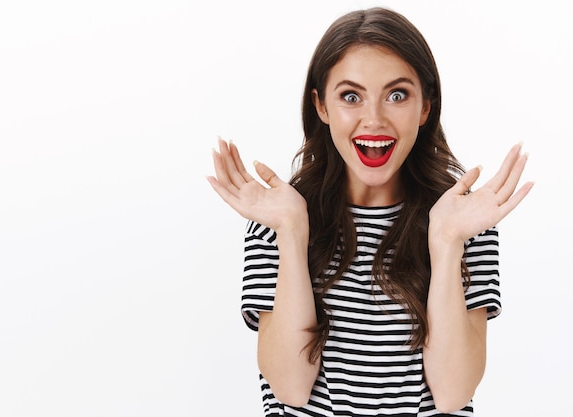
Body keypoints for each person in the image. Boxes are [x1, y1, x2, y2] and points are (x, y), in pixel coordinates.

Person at [207, 7, 532, 417]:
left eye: (397, 95)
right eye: (350, 96)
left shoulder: (463, 223)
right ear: (321, 106)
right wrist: (292, 231)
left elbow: (452, 393)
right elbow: (289, 386)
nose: (373, 119)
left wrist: (447, 241)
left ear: (426, 107)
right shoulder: (279, 219)